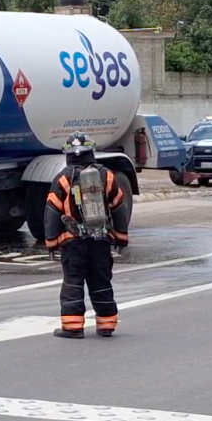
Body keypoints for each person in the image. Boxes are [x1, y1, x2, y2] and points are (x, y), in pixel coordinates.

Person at [44, 133, 130, 339]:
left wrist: (51, 242)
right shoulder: (107, 176)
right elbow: (119, 207)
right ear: (91, 151)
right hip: (101, 241)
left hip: (73, 243)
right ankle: (107, 324)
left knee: (73, 281)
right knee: (101, 280)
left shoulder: (63, 177)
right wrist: (121, 237)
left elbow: (52, 211)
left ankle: (73, 326)